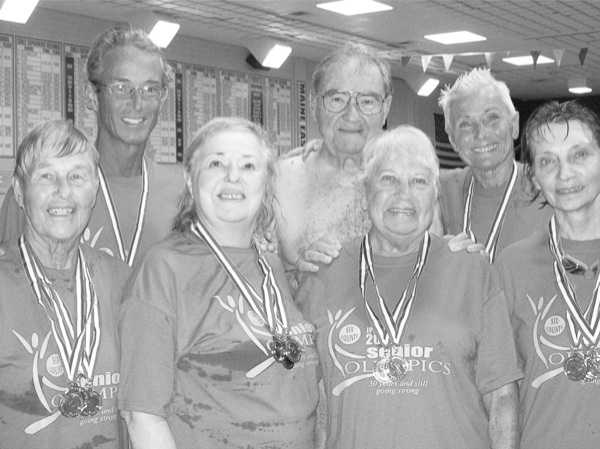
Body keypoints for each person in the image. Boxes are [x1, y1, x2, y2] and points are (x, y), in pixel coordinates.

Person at [297, 125, 521, 449]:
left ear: (434, 196)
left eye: (418, 181)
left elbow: (501, 396)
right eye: (388, 179)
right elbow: (314, 402)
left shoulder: (472, 271)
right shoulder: (321, 275)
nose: (403, 195)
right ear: (364, 195)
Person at [118, 117, 319, 449]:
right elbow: (143, 417)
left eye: (249, 165)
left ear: (267, 181)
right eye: (216, 163)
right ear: (190, 177)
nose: (233, 176)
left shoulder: (270, 266)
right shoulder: (163, 269)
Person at [0, 26, 184, 266]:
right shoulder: (39, 189)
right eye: (121, 88)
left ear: (163, 98)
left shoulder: (181, 192)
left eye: (150, 89)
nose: (137, 103)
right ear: (91, 96)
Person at [0, 120, 131, 448]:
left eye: (76, 176)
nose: (63, 191)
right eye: (46, 176)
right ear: (19, 191)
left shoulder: (124, 282)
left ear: (95, 188)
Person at [496, 101, 600, 449]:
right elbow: (500, 393)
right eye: (547, 161)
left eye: (579, 155)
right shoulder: (511, 267)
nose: (564, 174)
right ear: (534, 179)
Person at [275, 43, 393, 272]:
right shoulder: (279, 180)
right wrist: (296, 278)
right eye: (337, 99)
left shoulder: (413, 186)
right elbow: (251, 273)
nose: (351, 115)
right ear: (313, 104)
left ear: (385, 108)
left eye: (367, 101)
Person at [438, 67, 552, 261]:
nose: (481, 134)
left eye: (492, 118)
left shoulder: (550, 186)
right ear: (452, 140)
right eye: (465, 124)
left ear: (514, 125)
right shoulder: (438, 190)